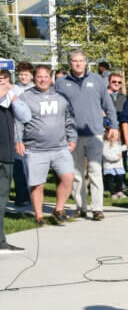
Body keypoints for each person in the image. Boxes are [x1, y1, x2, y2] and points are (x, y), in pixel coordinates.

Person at [55, 48, 118, 221]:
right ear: (70, 63)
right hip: (72, 135)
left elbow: (108, 105)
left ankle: (97, 208)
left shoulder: (97, 80)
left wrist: (114, 125)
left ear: (85, 62)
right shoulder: (61, 83)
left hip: (95, 132)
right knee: (76, 173)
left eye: (81, 61)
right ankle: (80, 207)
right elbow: (56, 109)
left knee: (95, 170)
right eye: (74, 61)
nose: (78, 64)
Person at [15, 65, 77, 226]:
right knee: (37, 184)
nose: (42, 80)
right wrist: (18, 140)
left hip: (60, 147)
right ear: (34, 79)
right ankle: (39, 215)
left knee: (68, 177)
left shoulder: (61, 97)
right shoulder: (25, 97)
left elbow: (69, 120)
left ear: (51, 79)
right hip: (35, 149)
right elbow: (18, 121)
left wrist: (72, 138)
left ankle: (59, 209)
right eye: (39, 77)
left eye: (46, 77)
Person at [0, 68, 30, 251]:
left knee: (2, 199)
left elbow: (25, 116)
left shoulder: (10, 99)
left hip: (5, 155)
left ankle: (1, 240)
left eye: (4, 81)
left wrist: (12, 95)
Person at [10, 61, 33, 206]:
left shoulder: (35, 90)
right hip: (17, 133)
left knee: (30, 167)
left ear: (31, 75)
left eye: (26, 74)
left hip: (32, 133)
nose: (23, 77)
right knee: (19, 166)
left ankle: (31, 194)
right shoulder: (13, 89)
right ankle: (21, 195)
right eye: (21, 74)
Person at [102, 132, 127, 200]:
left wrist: (127, 146)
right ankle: (113, 193)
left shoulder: (117, 143)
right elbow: (106, 155)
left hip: (118, 165)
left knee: (120, 178)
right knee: (110, 179)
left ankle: (118, 191)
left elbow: (120, 149)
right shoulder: (105, 144)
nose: (116, 137)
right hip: (109, 165)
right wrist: (116, 158)